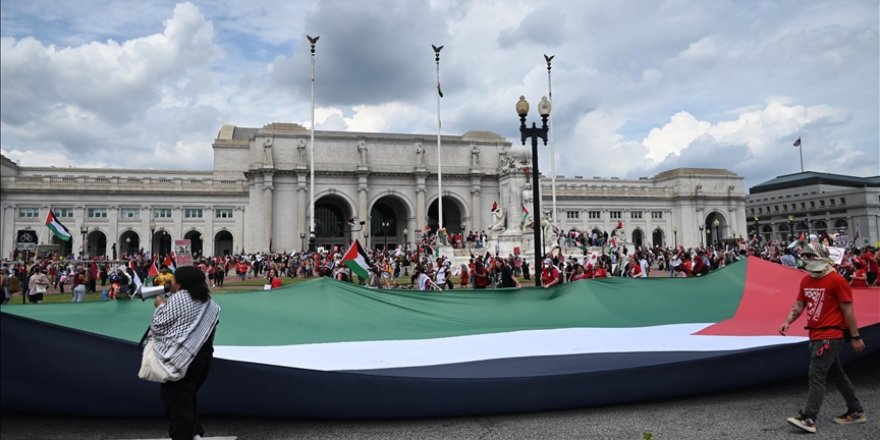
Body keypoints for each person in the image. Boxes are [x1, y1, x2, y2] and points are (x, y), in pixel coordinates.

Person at [779, 241, 866, 434]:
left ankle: (809, 418)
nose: (805, 260)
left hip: (830, 335)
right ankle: (856, 410)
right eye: (804, 257)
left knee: (816, 373)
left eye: (809, 256)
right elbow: (799, 305)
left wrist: (855, 336)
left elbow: (848, 310)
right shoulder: (806, 280)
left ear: (819, 257)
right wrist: (788, 321)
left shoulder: (836, 280)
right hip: (816, 333)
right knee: (837, 374)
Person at [148, 265, 221, 440]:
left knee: (175, 403)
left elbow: (157, 326)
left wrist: (159, 306)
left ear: (180, 285)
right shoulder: (209, 302)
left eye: (173, 281)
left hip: (180, 360)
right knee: (187, 398)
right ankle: (194, 432)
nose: (171, 284)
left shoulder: (179, 299)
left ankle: (184, 435)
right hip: (202, 358)